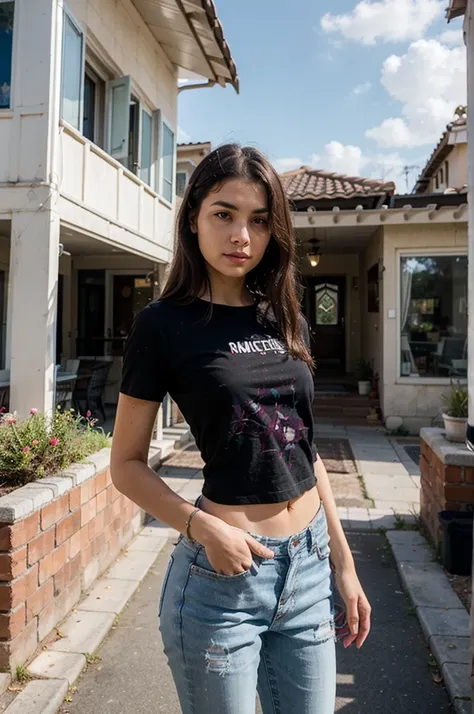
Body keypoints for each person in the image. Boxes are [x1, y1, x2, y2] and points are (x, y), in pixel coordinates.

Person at [110, 144, 371, 714]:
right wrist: (203, 529)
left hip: (308, 569)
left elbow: (304, 450)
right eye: (224, 215)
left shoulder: (284, 315)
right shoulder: (163, 326)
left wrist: (343, 567)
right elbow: (124, 464)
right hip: (222, 580)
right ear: (193, 219)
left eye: (258, 220)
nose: (241, 237)